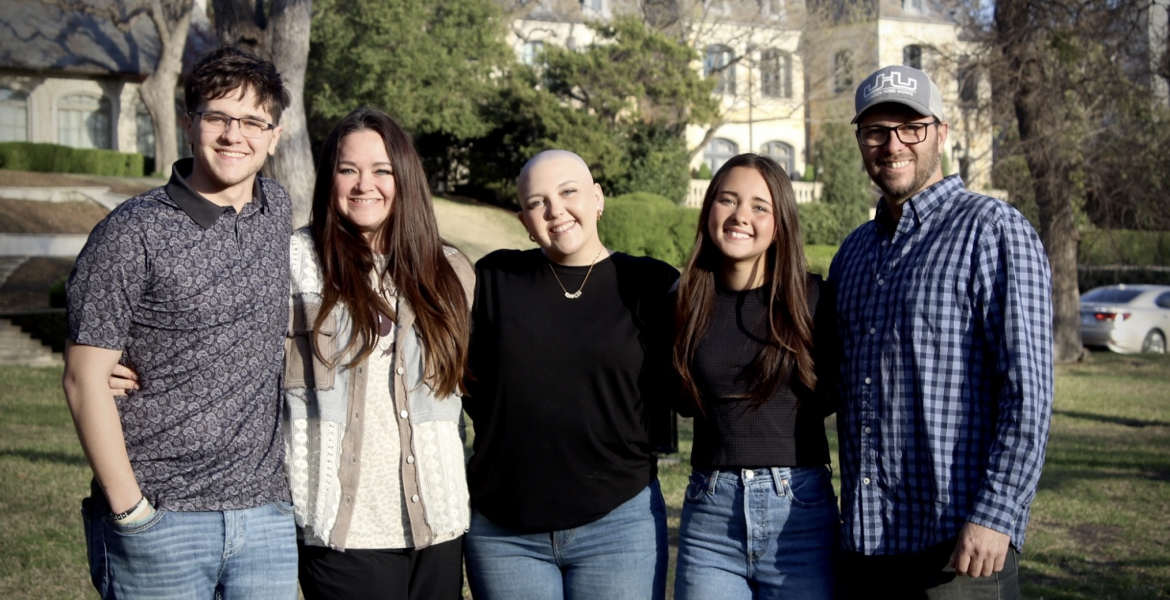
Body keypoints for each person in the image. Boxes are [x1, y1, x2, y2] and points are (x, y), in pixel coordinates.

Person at [62, 46, 297, 599]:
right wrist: (131, 510)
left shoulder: (277, 209)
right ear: (190, 123)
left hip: (264, 513)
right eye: (217, 116)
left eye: (252, 122)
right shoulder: (131, 233)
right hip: (161, 515)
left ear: (274, 136)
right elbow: (83, 378)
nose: (233, 135)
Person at [830, 64, 1054, 599]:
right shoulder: (854, 253)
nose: (892, 145)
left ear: (942, 132)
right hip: (865, 546)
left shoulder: (993, 230)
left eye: (911, 127)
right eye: (876, 131)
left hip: (958, 548)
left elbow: (1029, 392)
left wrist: (997, 515)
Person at [462, 149, 678, 600]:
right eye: (537, 202)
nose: (555, 210)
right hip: (506, 535)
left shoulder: (651, 284)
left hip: (618, 526)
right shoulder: (495, 279)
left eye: (568, 192)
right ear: (524, 218)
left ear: (597, 198)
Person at [284, 107, 474, 600]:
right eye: (348, 169)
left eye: (381, 170)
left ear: (404, 177)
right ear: (329, 179)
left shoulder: (450, 270)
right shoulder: (295, 264)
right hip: (341, 531)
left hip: (437, 523)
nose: (364, 184)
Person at [671, 153, 840, 599]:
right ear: (709, 209)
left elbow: (833, 393)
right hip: (710, 515)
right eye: (727, 200)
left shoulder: (814, 300)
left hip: (799, 514)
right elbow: (680, 398)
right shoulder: (684, 302)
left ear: (779, 223)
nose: (740, 215)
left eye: (759, 207)